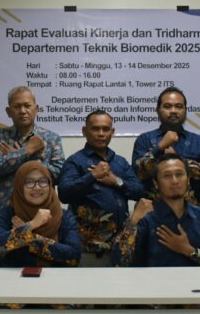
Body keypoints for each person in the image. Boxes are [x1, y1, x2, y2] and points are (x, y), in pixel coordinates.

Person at [58, 110, 145, 266]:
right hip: (88, 247)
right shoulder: (75, 161)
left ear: (112, 132)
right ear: (84, 131)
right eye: (95, 128)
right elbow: (64, 194)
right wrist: (92, 176)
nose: (101, 133)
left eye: (105, 129)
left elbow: (139, 191)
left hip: (121, 244)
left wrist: (116, 181)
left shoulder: (120, 162)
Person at [112, 153, 200, 267]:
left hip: (198, 279)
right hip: (155, 278)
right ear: (156, 183)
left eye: (179, 174)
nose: (175, 181)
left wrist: (189, 251)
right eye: (167, 176)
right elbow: (120, 263)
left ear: (188, 180)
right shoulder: (146, 219)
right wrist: (132, 223)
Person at [132, 86, 200, 205]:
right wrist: (159, 147)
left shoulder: (197, 141)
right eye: (167, 106)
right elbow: (137, 174)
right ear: (158, 110)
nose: (173, 110)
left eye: (179, 106)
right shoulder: (145, 139)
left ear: (185, 110)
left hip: (190, 212)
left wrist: (180, 161)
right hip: (153, 212)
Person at [0, 86, 64, 211]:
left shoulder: (51, 138)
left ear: (36, 109)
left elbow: (58, 176)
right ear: (8, 111)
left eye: (27, 106)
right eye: (17, 106)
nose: (22, 111)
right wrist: (26, 150)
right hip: (4, 209)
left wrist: (17, 156)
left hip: (41, 211)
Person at [0, 161, 80, 268]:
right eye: (29, 182)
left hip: (56, 277)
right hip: (13, 277)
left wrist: (30, 237)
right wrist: (32, 224)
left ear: (50, 184)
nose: (37, 187)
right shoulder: (6, 215)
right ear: (19, 186)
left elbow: (74, 257)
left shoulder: (64, 217)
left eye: (43, 181)